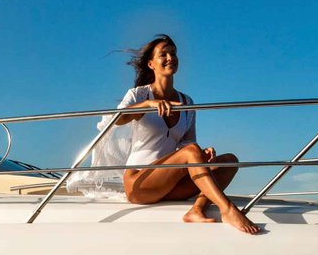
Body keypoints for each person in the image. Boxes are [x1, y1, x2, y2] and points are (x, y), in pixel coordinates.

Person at [112, 35, 261, 235]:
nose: (169, 57)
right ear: (151, 64)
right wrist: (148, 105)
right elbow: (117, 120)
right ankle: (228, 209)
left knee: (229, 162)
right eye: (163, 54)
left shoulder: (187, 102)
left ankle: (197, 210)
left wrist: (202, 154)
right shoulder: (139, 95)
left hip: (169, 184)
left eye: (173, 53)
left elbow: (188, 143)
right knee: (192, 152)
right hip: (139, 183)